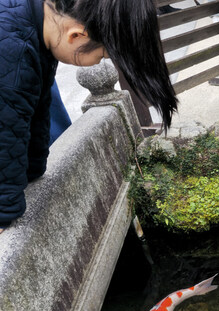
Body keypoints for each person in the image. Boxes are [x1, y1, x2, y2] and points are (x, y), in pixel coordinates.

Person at [0, 0, 177, 235]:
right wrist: (5, 214)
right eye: (103, 56)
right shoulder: (13, 50)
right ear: (76, 36)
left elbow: (35, 106)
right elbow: (6, 130)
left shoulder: (41, 27)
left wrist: (34, 168)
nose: (100, 62)